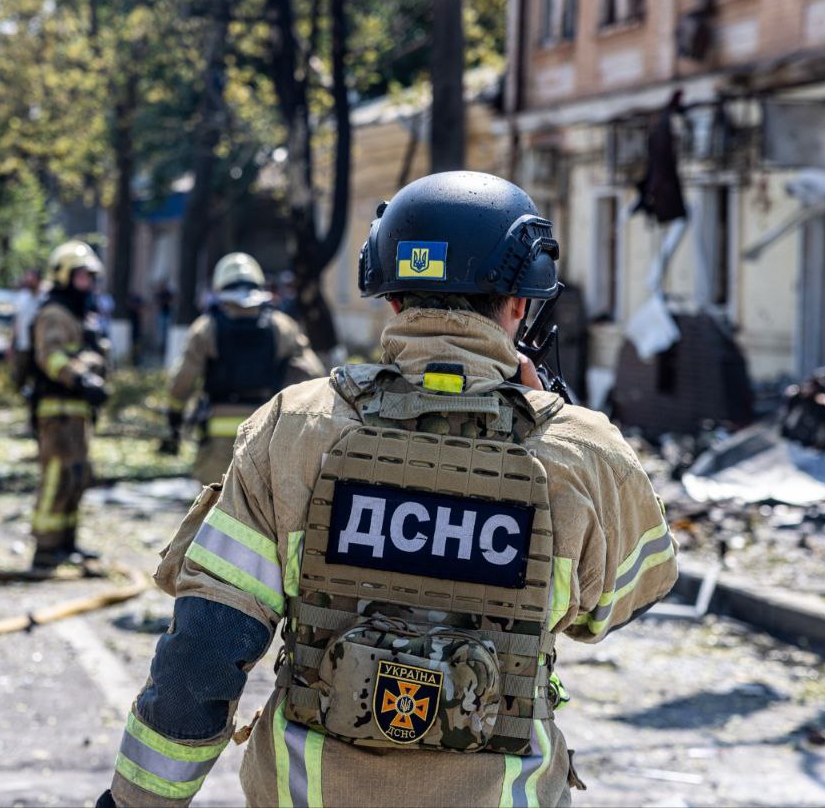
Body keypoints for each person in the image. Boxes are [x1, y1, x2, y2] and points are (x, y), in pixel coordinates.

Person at [101, 172, 678, 808]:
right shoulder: (585, 453)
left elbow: (203, 655)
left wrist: (134, 803)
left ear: (393, 299)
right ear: (519, 302)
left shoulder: (294, 429)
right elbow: (611, 609)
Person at [161, 252, 325, 485]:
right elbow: (313, 376)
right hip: (267, 434)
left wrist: (174, 415)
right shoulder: (282, 327)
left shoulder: (206, 328)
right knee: (261, 512)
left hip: (218, 439)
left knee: (215, 508)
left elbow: (183, 381)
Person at [30, 241, 108, 568]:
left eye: (90, 277)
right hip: (57, 410)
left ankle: (67, 542)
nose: (87, 284)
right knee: (56, 478)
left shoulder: (79, 314)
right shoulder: (53, 313)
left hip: (76, 413)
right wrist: (81, 378)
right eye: (81, 277)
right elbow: (50, 356)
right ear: (63, 276)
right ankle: (46, 548)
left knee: (77, 477)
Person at [10, 269, 42, 432]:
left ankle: (35, 420)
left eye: (31, 279)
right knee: (21, 381)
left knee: (38, 384)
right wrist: (11, 345)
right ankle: (31, 410)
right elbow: (17, 322)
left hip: (40, 349)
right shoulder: (22, 298)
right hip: (24, 346)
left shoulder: (45, 298)